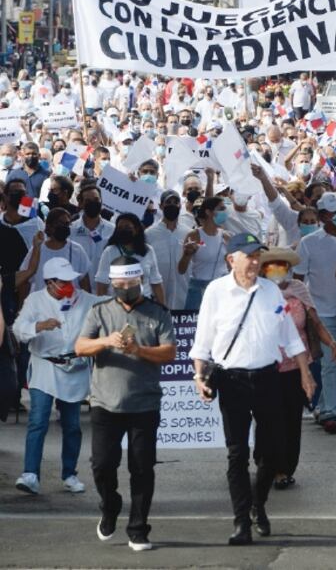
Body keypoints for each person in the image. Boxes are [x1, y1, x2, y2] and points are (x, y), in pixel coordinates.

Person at [191, 232, 316, 545]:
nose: (256, 261)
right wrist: (199, 378)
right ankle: (240, 520)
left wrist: (305, 373)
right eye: (249, 255)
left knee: (273, 451)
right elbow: (202, 343)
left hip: (267, 377)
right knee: (237, 453)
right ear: (231, 259)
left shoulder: (272, 292)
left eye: (258, 255)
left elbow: (289, 335)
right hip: (231, 381)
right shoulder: (216, 292)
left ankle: (258, 504)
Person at [74, 257, 176, 552]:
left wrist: (138, 350)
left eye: (130, 284)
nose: (125, 289)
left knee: (142, 468)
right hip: (105, 402)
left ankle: (138, 529)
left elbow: (169, 352)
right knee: (102, 465)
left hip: (144, 402)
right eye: (119, 285)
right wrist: (106, 341)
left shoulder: (157, 312)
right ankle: (110, 504)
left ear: (140, 281)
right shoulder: (100, 311)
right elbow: (80, 347)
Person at [12, 258, 102, 495]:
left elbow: (107, 304)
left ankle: (70, 474)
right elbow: (18, 328)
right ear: (49, 282)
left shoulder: (84, 300)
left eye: (70, 280)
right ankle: (30, 474)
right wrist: (39, 326)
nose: (68, 285)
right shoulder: (35, 300)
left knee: (72, 425)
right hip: (45, 367)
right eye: (63, 282)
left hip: (74, 367)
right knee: (38, 421)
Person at [258, 247, 336, 488]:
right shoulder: (259, 292)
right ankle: (266, 461)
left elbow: (314, 320)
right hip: (267, 365)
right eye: (271, 266)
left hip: (297, 365)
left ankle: (284, 468)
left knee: (291, 418)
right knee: (269, 418)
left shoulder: (299, 290)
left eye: (281, 266)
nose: (277, 271)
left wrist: (332, 344)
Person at [295, 192, 336, 433]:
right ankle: (332, 411)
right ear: (322, 217)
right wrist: (305, 311)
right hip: (322, 312)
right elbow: (298, 279)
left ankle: (323, 404)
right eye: (332, 213)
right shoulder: (308, 243)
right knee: (331, 363)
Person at [93, 214, 166, 306]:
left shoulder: (148, 250)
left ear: (136, 229)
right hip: (117, 307)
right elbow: (102, 284)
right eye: (120, 228)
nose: (123, 230)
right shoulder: (109, 251)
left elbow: (156, 282)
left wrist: (163, 310)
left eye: (127, 227)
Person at [17, 208, 92, 292]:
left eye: (67, 224)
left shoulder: (77, 250)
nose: (64, 227)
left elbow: (84, 282)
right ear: (49, 226)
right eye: (60, 223)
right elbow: (25, 281)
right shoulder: (37, 249)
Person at [179, 196, 229, 310]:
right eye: (221, 209)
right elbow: (181, 269)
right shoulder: (194, 235)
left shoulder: (226, 236)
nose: (224, 212)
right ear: (208, 212)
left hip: (222, 288)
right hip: (198, 291)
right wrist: (187, 254)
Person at [145, 191, 190, 311]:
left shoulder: (188, 233)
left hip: (182, 293)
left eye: (176, 202)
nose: (172, 205)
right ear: (160, 206)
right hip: (156, 296)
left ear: (180, 206)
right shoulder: (149, 234)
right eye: (168, 202)